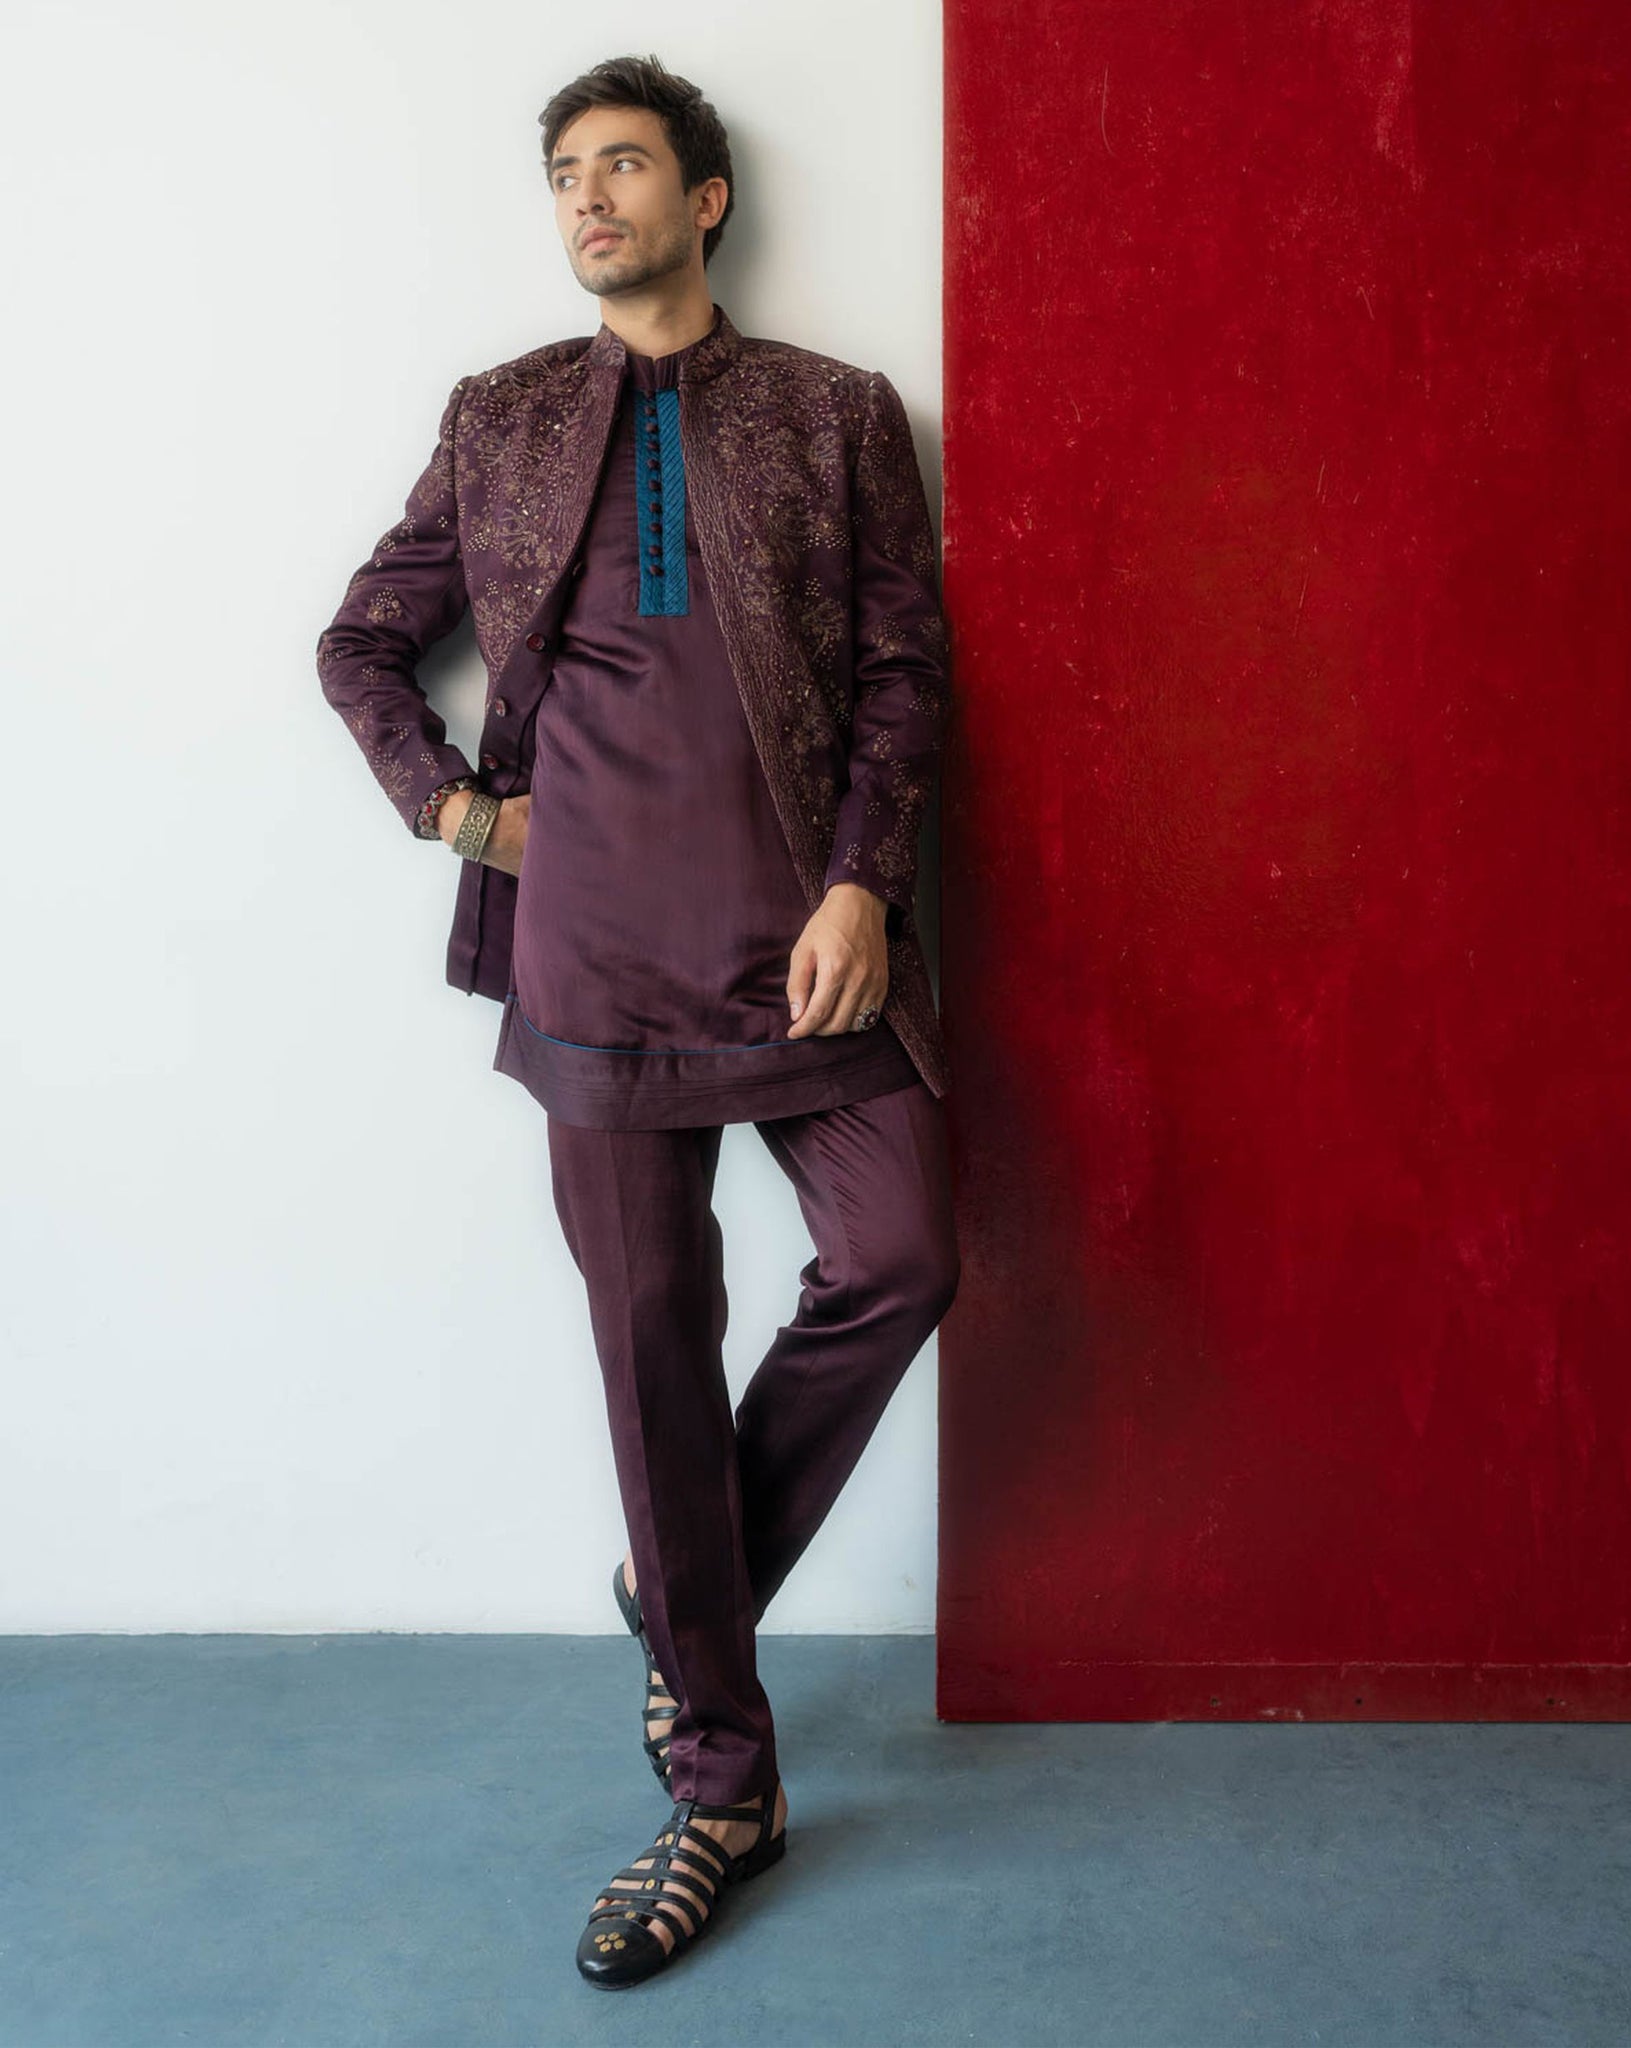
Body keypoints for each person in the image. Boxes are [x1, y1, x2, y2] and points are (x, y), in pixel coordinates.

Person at [315, 52, 960, 1989]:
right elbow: (361, 639)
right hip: (587, 955)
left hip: (804, 943)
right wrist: (451, 807)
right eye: (565, 176)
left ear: (707, 199)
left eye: (623, 166)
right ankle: (723, 1790)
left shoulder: (837, 413)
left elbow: (905, 674)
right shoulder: (504, 416)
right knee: (651, 1349)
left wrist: (861, 884)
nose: (588, 199)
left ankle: (685, 1589)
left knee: (905, 1254)